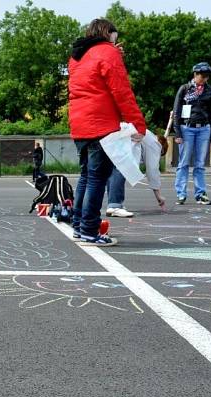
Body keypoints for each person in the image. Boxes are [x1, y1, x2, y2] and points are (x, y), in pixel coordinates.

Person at [68, 18, 146, 246]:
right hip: (100, 123)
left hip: (79, 122)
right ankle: (91, 230)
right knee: (97, 179)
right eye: (115, 35)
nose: (117, 40)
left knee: (86, 176)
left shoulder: (77, 56)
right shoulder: (108, 53)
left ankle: (79, 226)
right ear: (108, 33)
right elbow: (121, 91)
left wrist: (113, 53)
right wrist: (137, 123)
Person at [172, 62, 211, 205]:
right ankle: (181, 193)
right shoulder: (184, 89)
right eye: (202, 76)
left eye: (207, 77)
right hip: (187, 129)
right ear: (195, 74)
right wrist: (177, 132)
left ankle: (200, 194)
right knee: (184, 162)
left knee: (200, 164)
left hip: (204, 129)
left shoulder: (209, 90)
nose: (205, 79)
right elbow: (177, 111)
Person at [105, 125, 168, 217]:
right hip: (121, 144)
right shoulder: (155, 144)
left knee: (109, 173)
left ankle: (112, 204)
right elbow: (152, 170)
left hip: (110, 137)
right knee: (120, 171)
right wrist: (159, 196)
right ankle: (115, 206)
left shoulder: (147, 134)